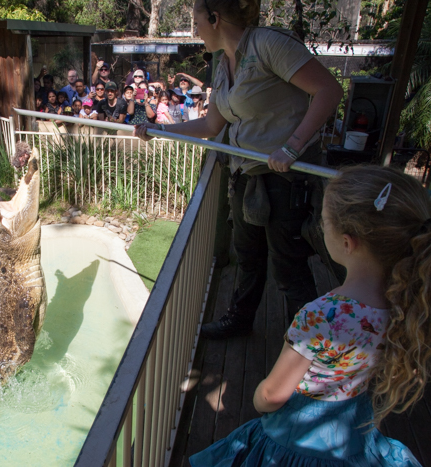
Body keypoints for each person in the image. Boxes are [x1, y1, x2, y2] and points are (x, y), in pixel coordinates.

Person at [190, 165, 427, 466]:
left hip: (296, 442)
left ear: (347, 242)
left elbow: (274, 394)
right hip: (353, 434)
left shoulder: (322, 316)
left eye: (324, 222)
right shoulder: (409, 303)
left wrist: (259, 396)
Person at [135, 0, 344, 339]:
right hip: (246, 176)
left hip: (285, 178)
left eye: (197, 21)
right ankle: (240, 321)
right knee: (248, 257)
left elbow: (328, 90)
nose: (195, 29)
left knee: (288, 267)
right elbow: (211, 123)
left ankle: (309, 346)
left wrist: (292, 145)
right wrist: (157, 131)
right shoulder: (224, 65)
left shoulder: (268, 45)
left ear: (215, 18)